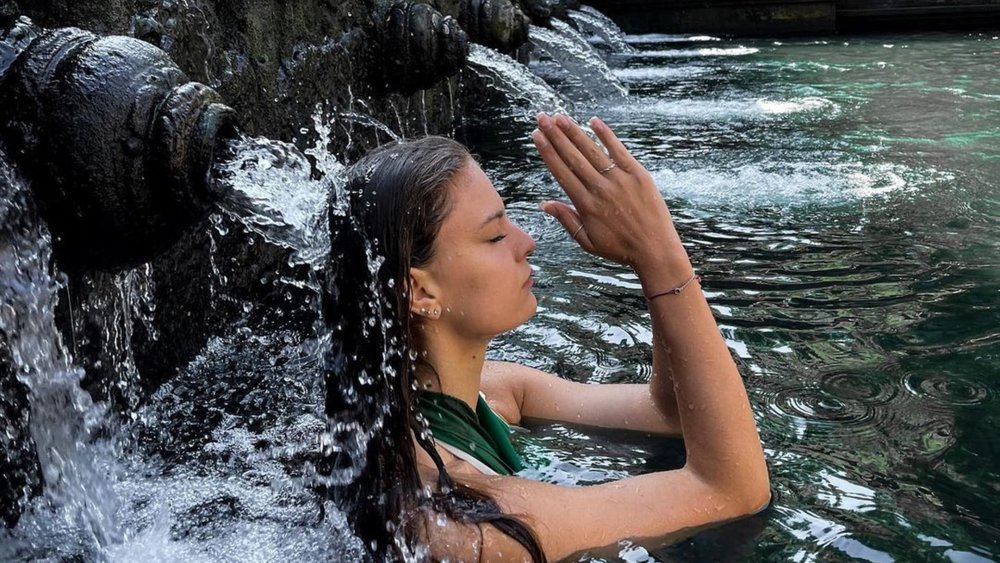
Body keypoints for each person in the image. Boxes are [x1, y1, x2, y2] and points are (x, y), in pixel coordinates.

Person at [323, 113, 770, 562]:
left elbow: (671, 410)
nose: (526, 241)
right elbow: (732, 489)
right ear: (420, 291)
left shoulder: (492, 391)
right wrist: (660, 254)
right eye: (495, 235)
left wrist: (645, 251)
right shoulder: (464, 525)